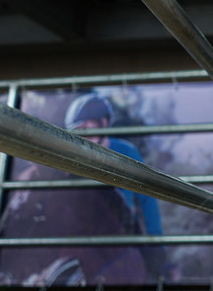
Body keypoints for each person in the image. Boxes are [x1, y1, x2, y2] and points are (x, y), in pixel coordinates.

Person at [64, 93, 175, 279]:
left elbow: (147, 199)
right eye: (79, 130)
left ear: (104, 124)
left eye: (89, 127)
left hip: (123, 229)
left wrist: (156, 243)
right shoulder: (73, 160)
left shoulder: (126, 151)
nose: (85, 135)